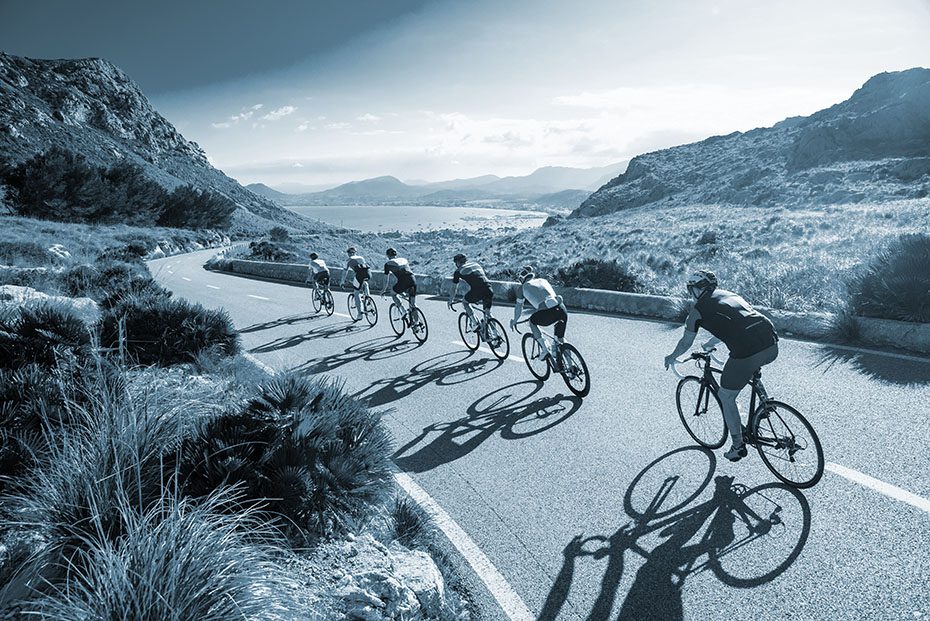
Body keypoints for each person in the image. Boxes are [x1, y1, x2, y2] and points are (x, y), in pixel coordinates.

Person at [664, 270, 779, 462]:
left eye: (691, 289)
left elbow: (685, 343)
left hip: (748, 351)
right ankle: (765, 403)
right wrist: (710, 344)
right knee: (750, 366)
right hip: (771, 343)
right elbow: (735, 324)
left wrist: (672, 356)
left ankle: (737, 446)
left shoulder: (696, 312)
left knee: (726, 396)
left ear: (696, 289)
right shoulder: (730, 295)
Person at [509, 265, 567, 361]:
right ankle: (571, 366)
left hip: (547, 312)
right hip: (561, 308)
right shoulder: (543, 280)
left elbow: (518, 308)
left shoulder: (522, 288)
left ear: (521, 278)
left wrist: (515, 320)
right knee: (560, 340)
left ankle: (545, 349)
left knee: (532, 322)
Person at [447, 253, 494, 329]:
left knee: (465, 302)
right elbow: (478, 279)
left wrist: (450, 300)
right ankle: (496, 336)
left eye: (455, 263)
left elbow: (454, 288)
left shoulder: (458, 271)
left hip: (478, 290)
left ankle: (476, 324)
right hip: (489, 288)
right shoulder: (475, 264)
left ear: (458, 263)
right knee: (488, 313)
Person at [381, 247, 417, 314]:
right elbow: (402, 273)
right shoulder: (404, 260)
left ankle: (403, 312)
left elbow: (386, 279)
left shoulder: (388, 264)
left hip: (404, 281)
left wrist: (383, 290)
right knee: (413, 305)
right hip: (413, 279)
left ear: (387, 255)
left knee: (393, 293)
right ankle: (416, 322)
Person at [339, 246, 371, 319]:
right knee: (365, 282)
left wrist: (342, 282)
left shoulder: (348, 260)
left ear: (348, 254)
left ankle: (360, 314)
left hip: (359, 275)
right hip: (368, 273)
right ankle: (368, 297)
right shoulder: (361, 258)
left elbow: (344, 272)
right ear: (355, 253)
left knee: (356, 293)